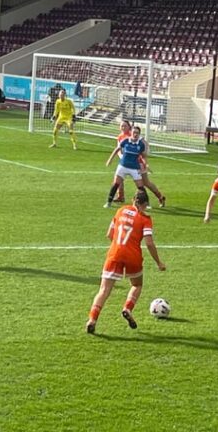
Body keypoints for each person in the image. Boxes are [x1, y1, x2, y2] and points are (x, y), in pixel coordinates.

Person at [85, 188, 166, 333]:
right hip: (132, 255)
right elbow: (149, 243)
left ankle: (92, 320)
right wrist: (158, 262)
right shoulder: (145, 219)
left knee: (104, 290)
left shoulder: (120, 211)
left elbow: (109, 234)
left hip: (115, 253)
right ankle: (127, 308)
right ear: (145, 203)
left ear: (133, 200)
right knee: (137, 285)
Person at [104, 125, 166, 208]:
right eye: (134, 132)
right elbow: (118, 149)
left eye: (137, 133)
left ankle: (150, 201)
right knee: (116, 183)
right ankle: (109, 202)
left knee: (143, 185)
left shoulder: (141, 143)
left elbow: (143, 155)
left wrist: (145, 165)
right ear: (131, 132)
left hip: (135, 167)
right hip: (123, 166)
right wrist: (110, 160)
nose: (135, 134)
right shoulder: (124, 139)